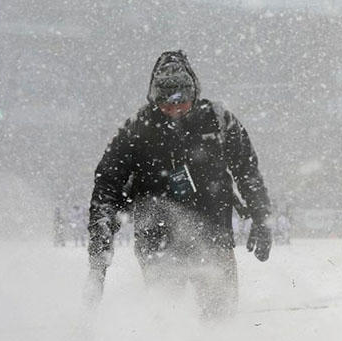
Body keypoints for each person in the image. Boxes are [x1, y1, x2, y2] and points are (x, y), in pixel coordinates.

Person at [84, 50, 272, 318]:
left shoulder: (218, 120)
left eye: (181, 101)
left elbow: (247, 171)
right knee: (166, 321)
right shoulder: (136, 131)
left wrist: (261, 217)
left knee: (220, 318)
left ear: (194, 93)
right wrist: (99, 253)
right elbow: (106, 189)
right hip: (157, 243)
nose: (174, 110)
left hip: (213, 238)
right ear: (154, 98)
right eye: (165, 103)